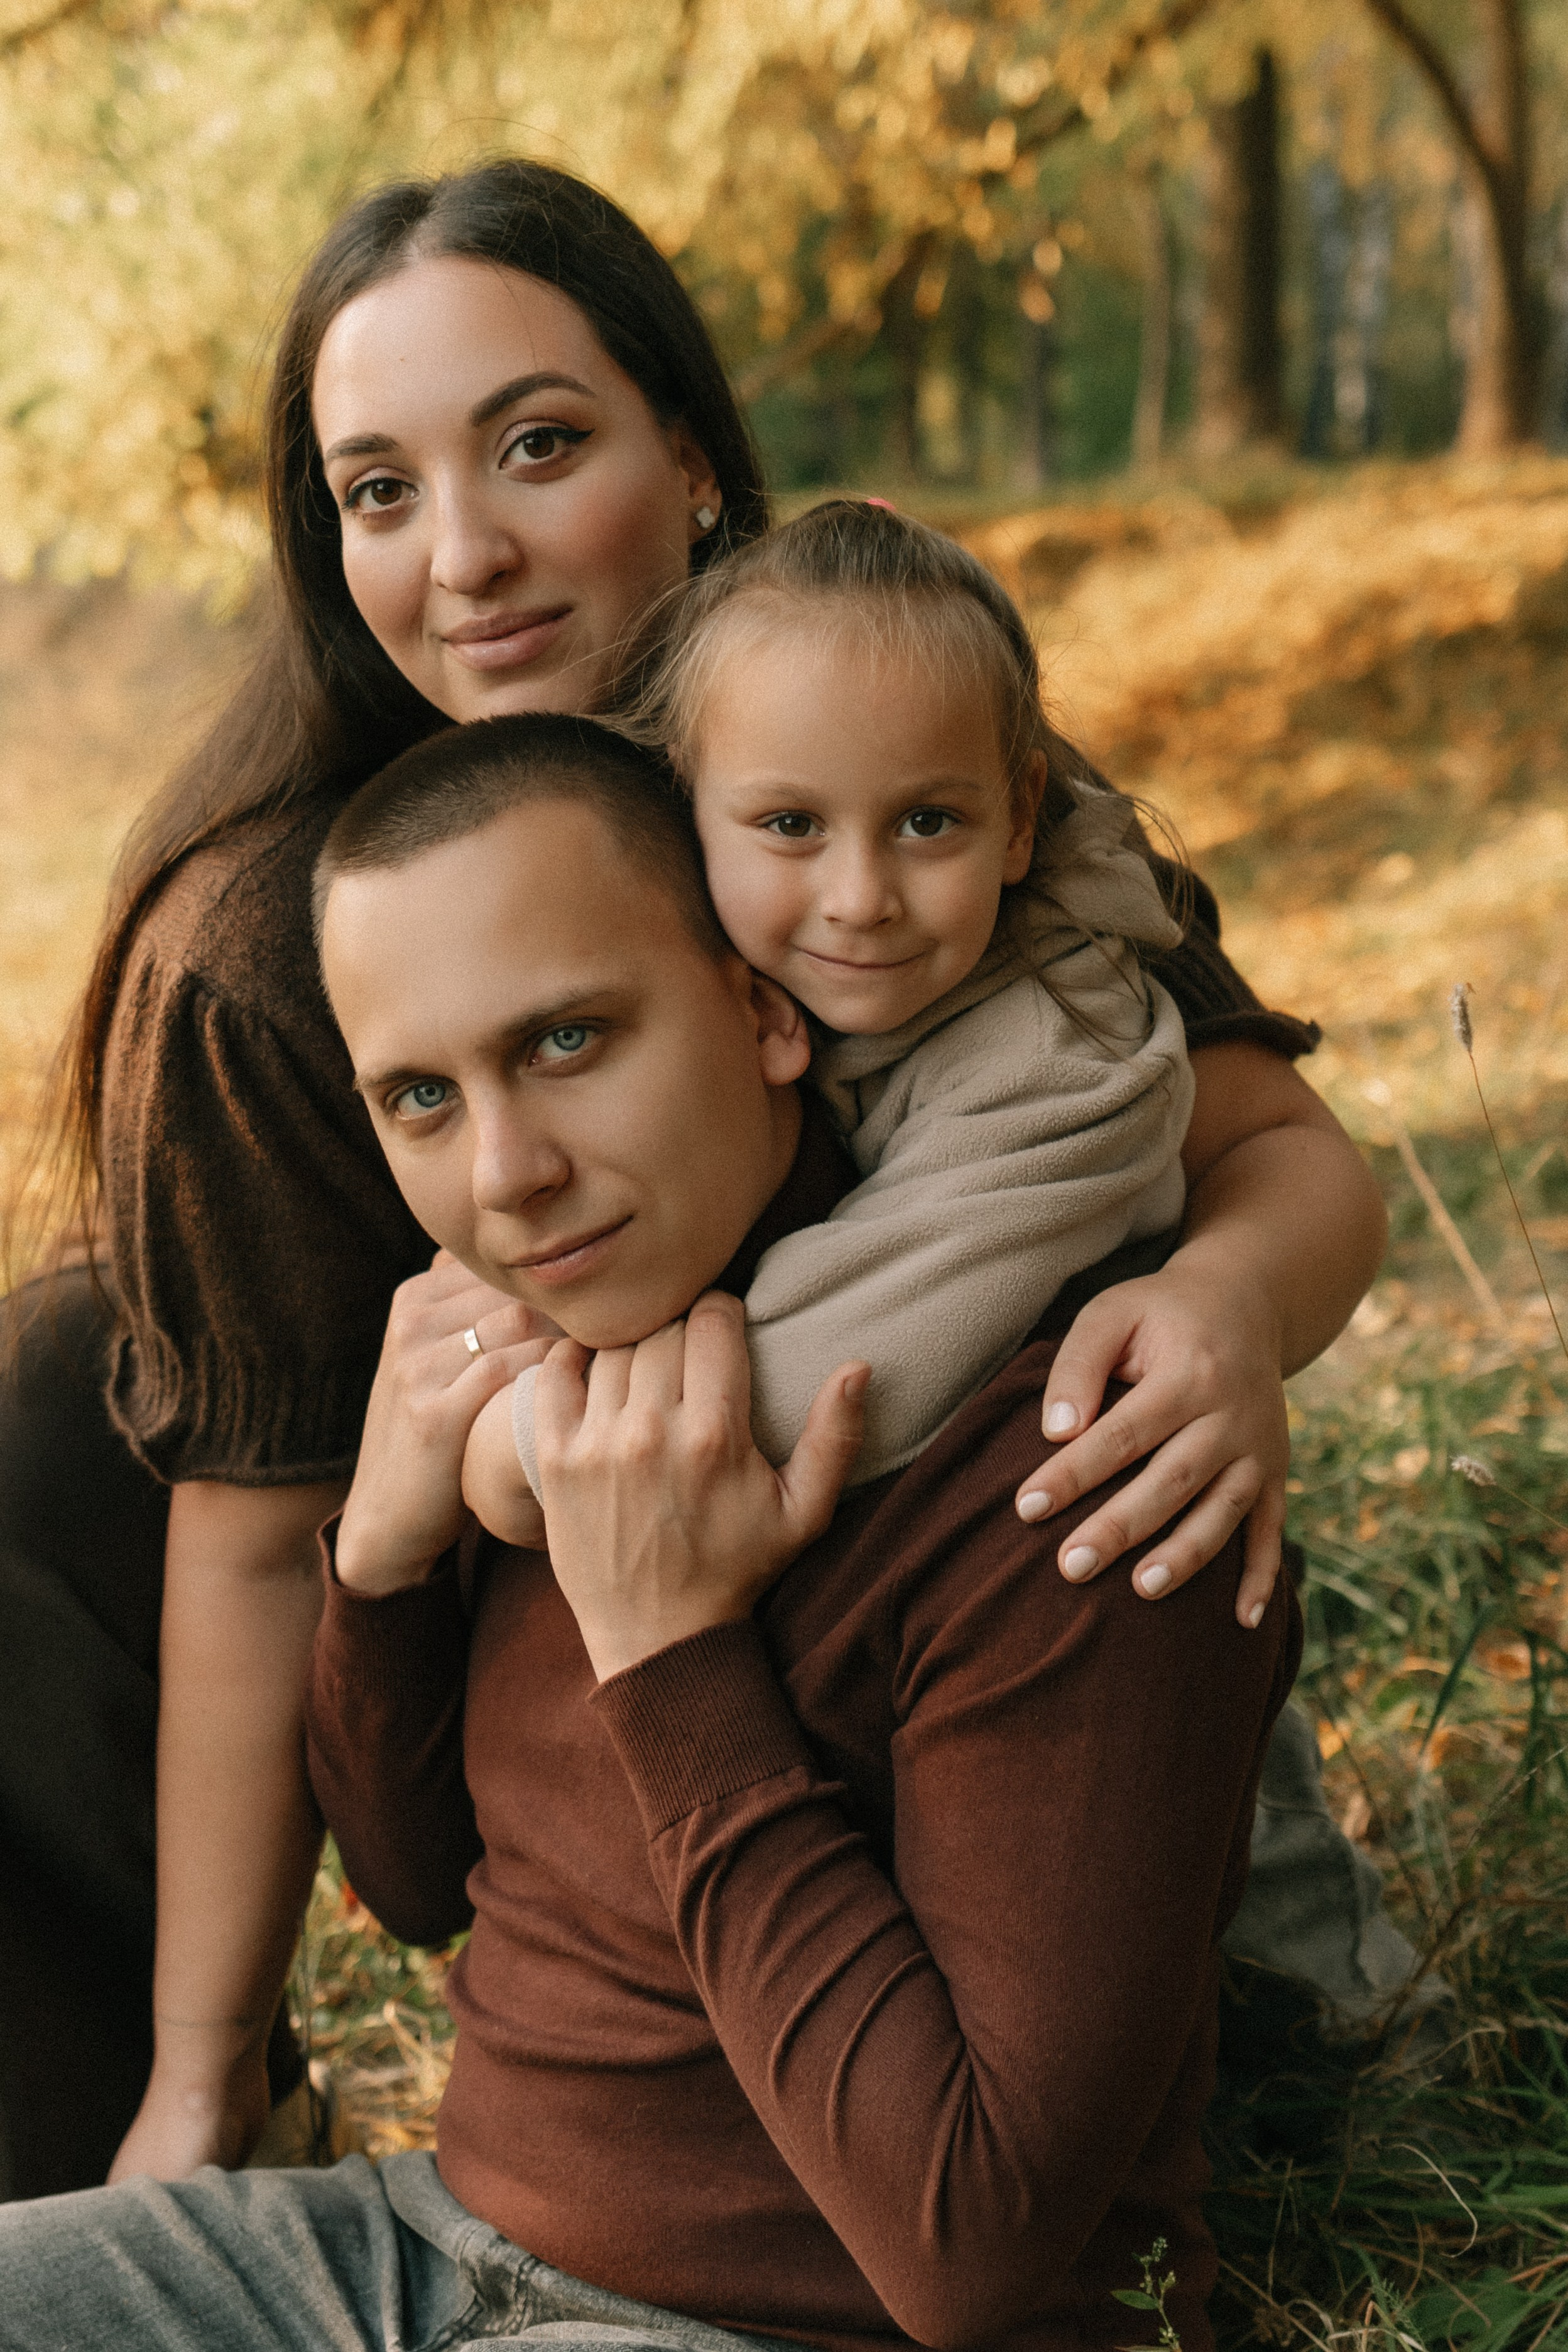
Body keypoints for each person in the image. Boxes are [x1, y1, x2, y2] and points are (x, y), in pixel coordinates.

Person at [0, 156, 1383, 2198]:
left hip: (989, 1597)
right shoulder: (281, 935)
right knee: (58, 1375)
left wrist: (1220, 1303)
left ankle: (1234, 2009)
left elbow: (1276, 1151)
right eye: (376, 490)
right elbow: (255, 1528)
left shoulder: (865, 754)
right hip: (572, 1685)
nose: (462, 553)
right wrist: (197, 2086)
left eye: (537, 446)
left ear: (692, 458)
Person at [0, 714, 1301, 2352]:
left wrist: (675, 1655)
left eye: (564, 1043)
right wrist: (386, 1562)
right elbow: (416, 1889)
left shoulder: (1063, 1469)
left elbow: (971, 2251)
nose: (507, 1178)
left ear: (763, 1011)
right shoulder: (571, 1383)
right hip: (422, 2249)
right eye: (421, 1096)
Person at [478, 498, 1200, 1533]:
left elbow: (842, 1376)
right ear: (688, 804)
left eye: (926, 822)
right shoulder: (719, 982)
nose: (861, 898)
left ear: (1020, 819)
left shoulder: (1062, 1065)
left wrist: (511, 1454)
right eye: (791, 825)